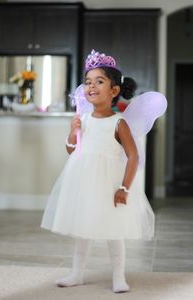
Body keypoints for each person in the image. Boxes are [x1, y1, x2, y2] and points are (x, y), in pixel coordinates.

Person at [41, 50, 155, 293]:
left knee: (114, 231)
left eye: (99, 81)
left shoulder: (119, 122)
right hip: (83, 181)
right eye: (88, 82)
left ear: (114, 91)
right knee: (83, 228)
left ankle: (118, 276)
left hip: (110, 183)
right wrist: (73, 132)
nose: (91, 86)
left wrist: (124, 187)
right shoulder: (83, 118)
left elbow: (133, 155)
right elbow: (72, 150)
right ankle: (77, 273)